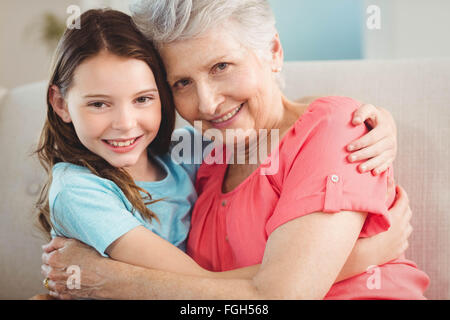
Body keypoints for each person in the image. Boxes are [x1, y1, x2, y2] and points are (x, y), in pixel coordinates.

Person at [40, 1, 428, 300]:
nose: (207, 103)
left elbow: (279, 296)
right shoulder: (206, 158)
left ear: (273, 52)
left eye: (222, 66)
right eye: (181, 82)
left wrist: (112, 281)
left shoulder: (338, 129)